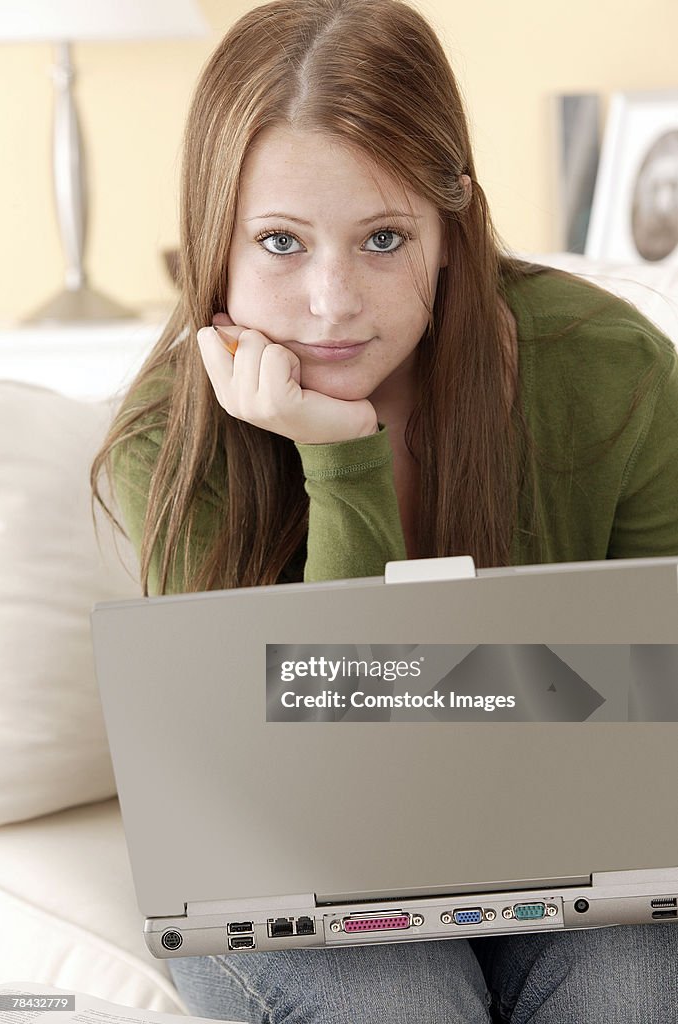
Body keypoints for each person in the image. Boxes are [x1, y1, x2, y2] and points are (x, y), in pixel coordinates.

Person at [91, 0, 678, 1019]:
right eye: (279, 241)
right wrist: (341, 457)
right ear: (212, 239)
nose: (331, 301)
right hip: (291, 873)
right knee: (399, 994)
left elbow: (658, 688)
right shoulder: (168, 439)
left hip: (570, 860)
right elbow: (291, 783)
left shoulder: (606, 366)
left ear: (451, 225)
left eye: (382, 237)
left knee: (628, 986)